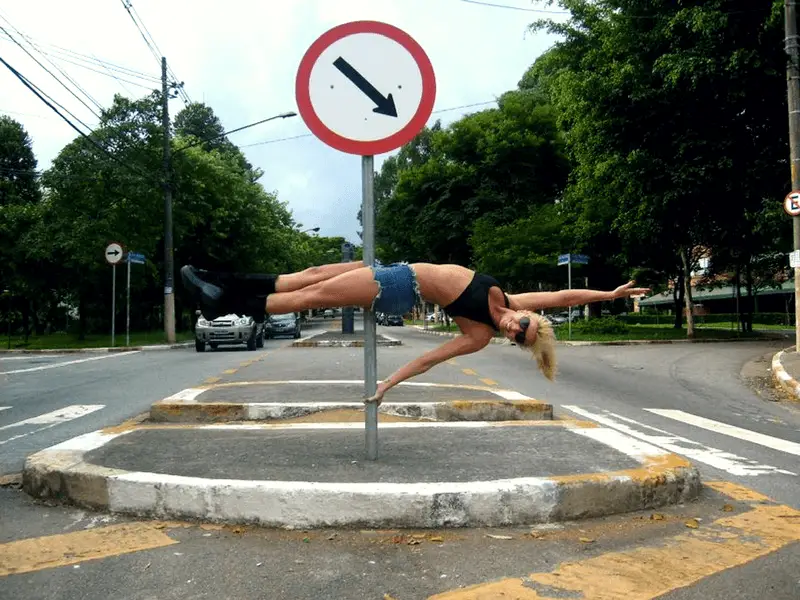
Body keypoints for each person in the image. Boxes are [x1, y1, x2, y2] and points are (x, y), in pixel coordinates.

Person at [181, 262, 649, 403]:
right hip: (398, 270)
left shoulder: (478, 333)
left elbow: (429, 359)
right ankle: (221, 284)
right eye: (522, 326)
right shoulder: (512, 302)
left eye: (515, 337)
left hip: (398, 287)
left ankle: (222, 297)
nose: (513, 327)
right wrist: (610, 294)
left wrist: (387, 384)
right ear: (531, 320)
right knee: (313, 274)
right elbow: (566, 297)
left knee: (311, 295)